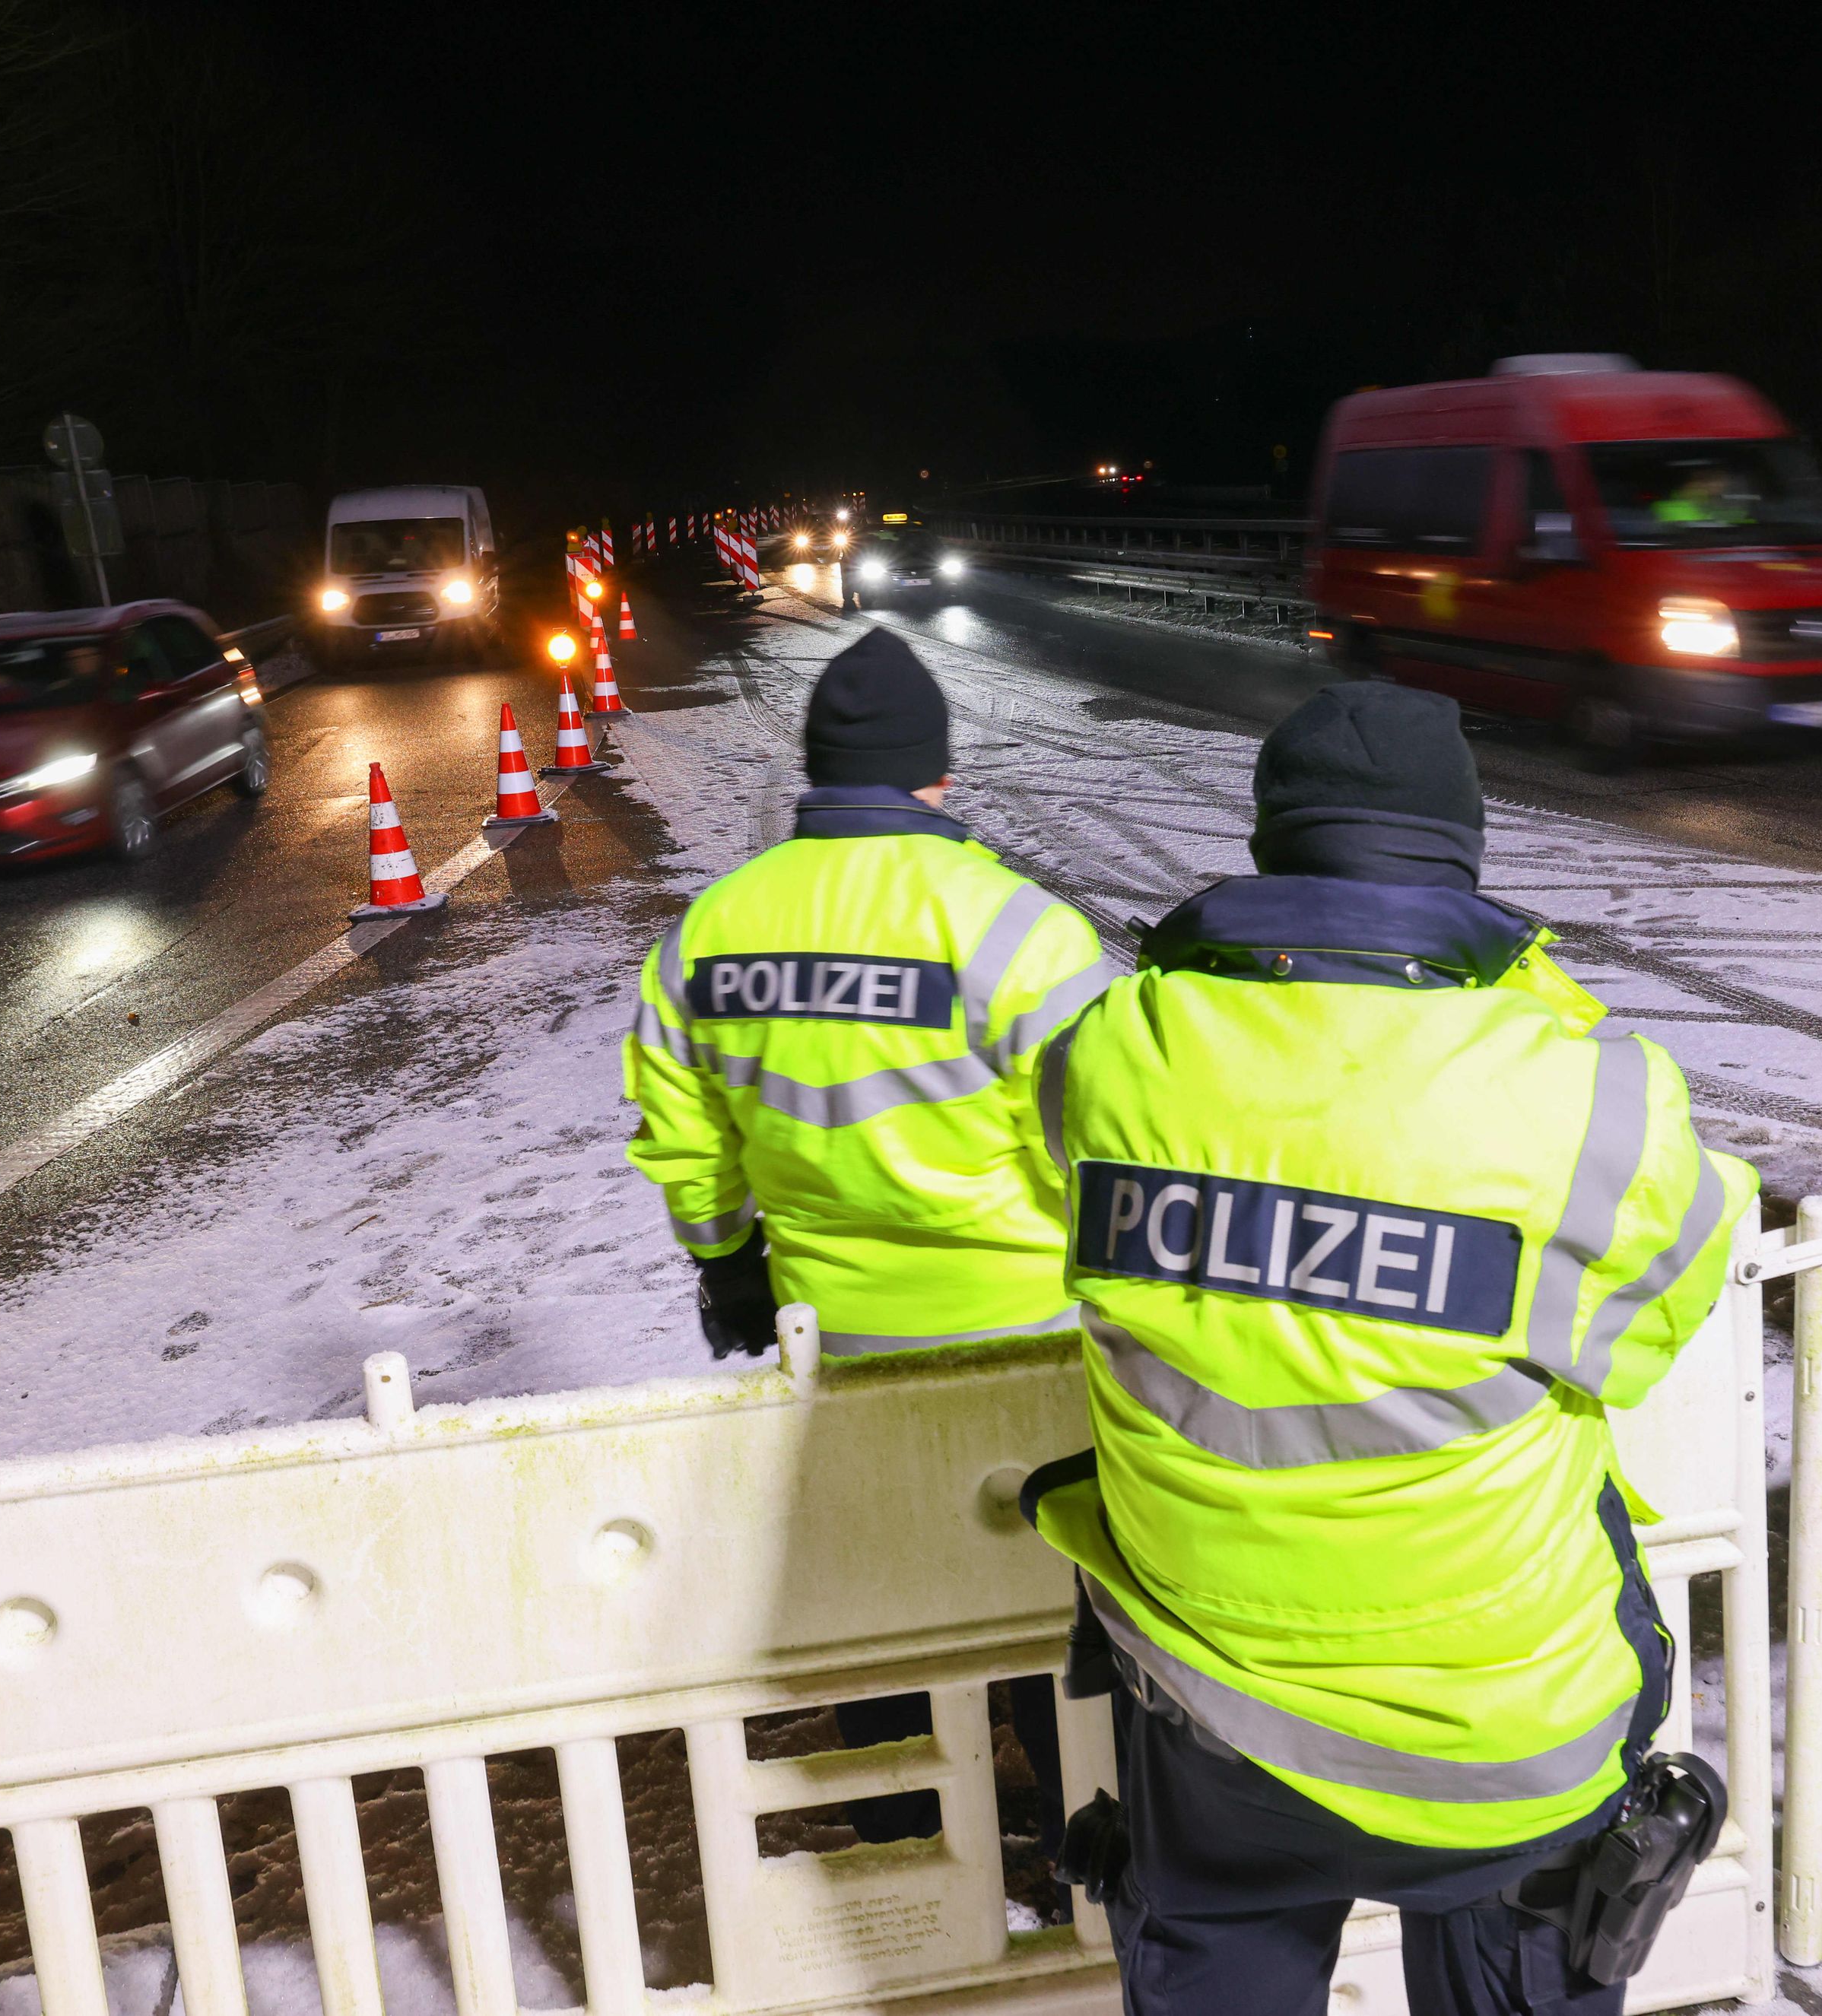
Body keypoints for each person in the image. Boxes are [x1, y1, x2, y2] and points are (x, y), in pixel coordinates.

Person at [1022, 682, 1757, 2015]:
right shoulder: (1592, 1094)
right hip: (1499, 1735)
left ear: (1271, 847)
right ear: (1463, 854)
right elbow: (1651, 1328)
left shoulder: (1106, 1051)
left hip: (1206, 1714)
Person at [622, 624, 1108, 1840]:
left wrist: (728, 1265)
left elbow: (688, 1142)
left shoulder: (712, 931)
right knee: (1048, 1613)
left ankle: (908, 1852)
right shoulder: (1020, 932)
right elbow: (1111, 1142)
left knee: (882, 1608)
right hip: (1033, 1347)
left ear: (818, 771)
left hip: (831, 1342)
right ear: (937, 775)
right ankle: (1076, 1840)